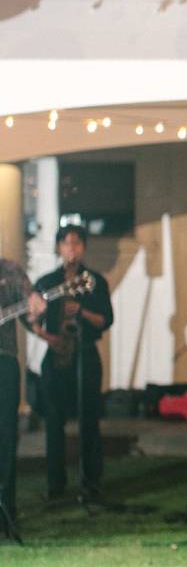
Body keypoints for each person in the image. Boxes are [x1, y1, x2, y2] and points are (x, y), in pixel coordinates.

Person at [33, 225, 113, 501]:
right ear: (58, 247)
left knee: (89, 422)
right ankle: (56, 485)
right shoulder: (45, 282)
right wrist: (46, 336)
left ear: (84, 247)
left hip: (85, 355)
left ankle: (90, 483)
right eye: (67, 243)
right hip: (56, 357)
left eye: (77, 243)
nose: (72, 249)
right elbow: (31, 318)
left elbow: (106, 320)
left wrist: (82, 312)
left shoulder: (95, 281)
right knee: (53, 423)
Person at [0, 257, 45, 533]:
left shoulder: (10, 271)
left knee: (5, 435)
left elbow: (29, 315)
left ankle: (6, 510)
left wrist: (35, 309)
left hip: (3, 362)